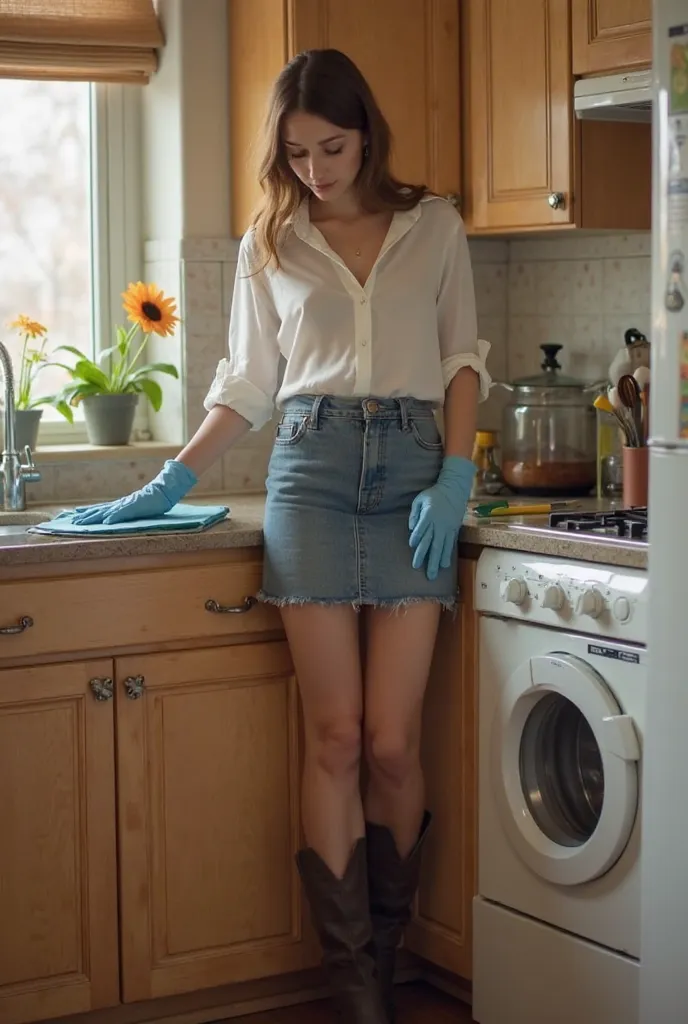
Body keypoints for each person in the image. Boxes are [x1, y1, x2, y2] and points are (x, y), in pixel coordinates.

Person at [72, 48, 490, 1024]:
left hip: (412, 477)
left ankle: (386, 957)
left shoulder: (435, 227)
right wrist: (166, 480)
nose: (316, 169)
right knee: (335, 736)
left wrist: (457, 472)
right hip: (306, 474)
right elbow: (247, 386)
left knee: (392, 742)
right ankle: (359, 993)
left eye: (332, 147)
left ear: (365, 134)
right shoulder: (272, 241)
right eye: (297, 153)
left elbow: (463, 357)